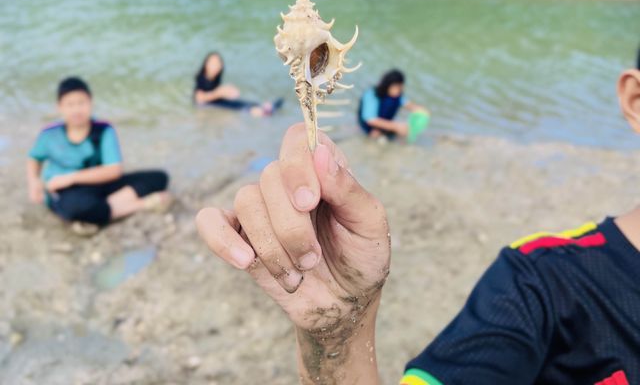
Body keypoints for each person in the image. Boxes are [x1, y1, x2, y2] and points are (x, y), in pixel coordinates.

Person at [197, 48, 640, 384]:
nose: (396, 95)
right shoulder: (542, 288)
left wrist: (414, 114)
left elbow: (405, 108)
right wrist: (338, 333)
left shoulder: (397, 95)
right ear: (634, 100)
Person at [27, 77, 171, 233]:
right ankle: (138, 205)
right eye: (70, 104)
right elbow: (34, 158)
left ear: (91, 102)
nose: (76, 110)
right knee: (75, 207)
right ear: (60, 107)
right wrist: (34, 181)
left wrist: (71, 177)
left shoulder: (104, 130)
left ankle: (98, 214)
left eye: (81, 103)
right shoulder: (49, 134)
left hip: (97, 183)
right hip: (64, 192)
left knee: (159, 178)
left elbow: (114, 170)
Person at [193, 51, 283, 117]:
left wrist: (225, 92)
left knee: (241, 103)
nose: (216, 65)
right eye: (213, 62)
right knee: (240, 106)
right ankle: (264, 110)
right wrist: (221, 92)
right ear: (206, 64)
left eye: (218, 63)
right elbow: (199, 99)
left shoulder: (214, 79)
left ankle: (264, 107)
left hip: (218, 103)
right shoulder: (202, 78)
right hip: (214, 105)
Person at [358, 69, 429, 139]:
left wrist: (422, 111)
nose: (400, 89)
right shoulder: (372, 94)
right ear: (388, 85)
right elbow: (370, 119)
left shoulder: (398, 97)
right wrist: (396, 126)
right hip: (368, 127)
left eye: (401, 87)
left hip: (386, 124)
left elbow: (410, 105)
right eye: (397, 87)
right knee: (376, 135)